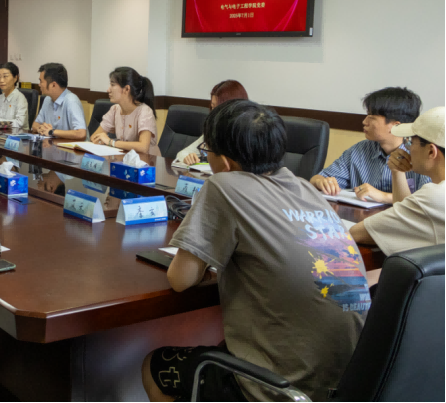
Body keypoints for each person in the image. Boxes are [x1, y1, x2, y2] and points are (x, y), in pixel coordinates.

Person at [142, 100, 370, 402]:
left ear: (225, 162)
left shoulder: (224, 185)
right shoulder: (304, 187)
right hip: (350, 383)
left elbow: (180, 279)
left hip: (282, 389)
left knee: (153, 367)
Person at [351, 106, 445, 256]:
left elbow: (356, 233)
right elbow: (405, 217)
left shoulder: (434, 196)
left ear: (430, 151)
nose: (407, 148)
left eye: (410, 142)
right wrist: (397, 172)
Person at [311, 87, 430, 204]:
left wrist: (383, 196)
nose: (364, 122)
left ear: (396, 126)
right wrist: (321, 182)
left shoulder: (423, 155)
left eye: (371, 118)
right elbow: (317, 179)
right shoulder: (359, 150)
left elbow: (428, 202)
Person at [173, 80, 249, 165]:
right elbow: (182, 154)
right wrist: (187, 158)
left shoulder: (248, 135)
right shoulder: (214, 130)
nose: (214, 113)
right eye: (213, 107)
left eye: (218, 108)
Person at [91, 67, 157, 153]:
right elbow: (94, 137)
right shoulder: (115, 109)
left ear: (126, 89)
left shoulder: (144, 111)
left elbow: (143, 147)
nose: (108, 90)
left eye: (112, 85)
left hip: (146, 160)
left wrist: (111, 142)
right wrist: (100, 140)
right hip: (124, 158)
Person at [32, 63, 87, 140]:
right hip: (53, 145)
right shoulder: (47, 99)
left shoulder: (71, 100)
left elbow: (81, 133)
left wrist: (52, 132)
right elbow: (35, 124)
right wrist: (40, 128)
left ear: (53, 85)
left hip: (71, 147)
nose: (39, 84)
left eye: (41, 81)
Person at [0, 62, 29, 129]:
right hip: (0, 133)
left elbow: (20, 123)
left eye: (5, 76)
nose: (1, 80)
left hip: (17, 134)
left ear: (15, 78)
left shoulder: (20, 98)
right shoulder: (0, 97)